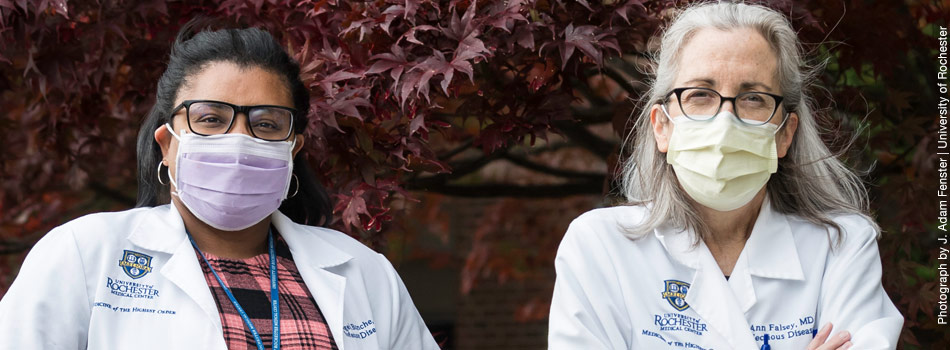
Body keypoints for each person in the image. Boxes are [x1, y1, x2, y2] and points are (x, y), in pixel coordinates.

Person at [0, 22, 440, 350]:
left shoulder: (366, 274)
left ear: (292, 148)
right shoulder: (83, 255)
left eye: (266, 123)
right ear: (167, 145)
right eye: (210, 118)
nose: (239, 140)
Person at [548, 2, 903, 350]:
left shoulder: (841, 247)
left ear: (784, 133)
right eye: (700, 94)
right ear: (661, 127)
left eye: (753, 98)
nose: (725, 122)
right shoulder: (599, 246)